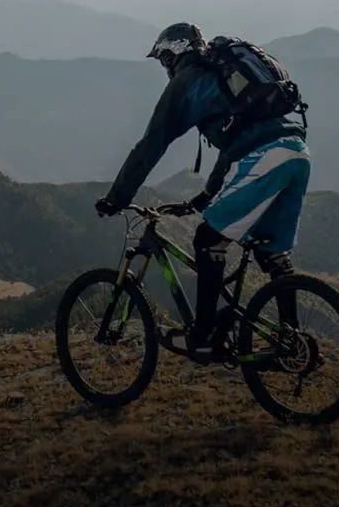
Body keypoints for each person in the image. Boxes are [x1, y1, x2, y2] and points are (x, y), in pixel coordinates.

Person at [95, 23, 310, 359]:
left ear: (173, 54)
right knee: (272, 251)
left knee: (208, 240)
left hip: (266, 156)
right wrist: (206, 196)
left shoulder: (187, 82)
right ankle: (291, 340)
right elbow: (232, 144)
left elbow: (151, 146)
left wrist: (116, 198)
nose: (165, 67)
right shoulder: (221, 79)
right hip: (297, 152)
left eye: (164, 59)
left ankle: (205, 336)